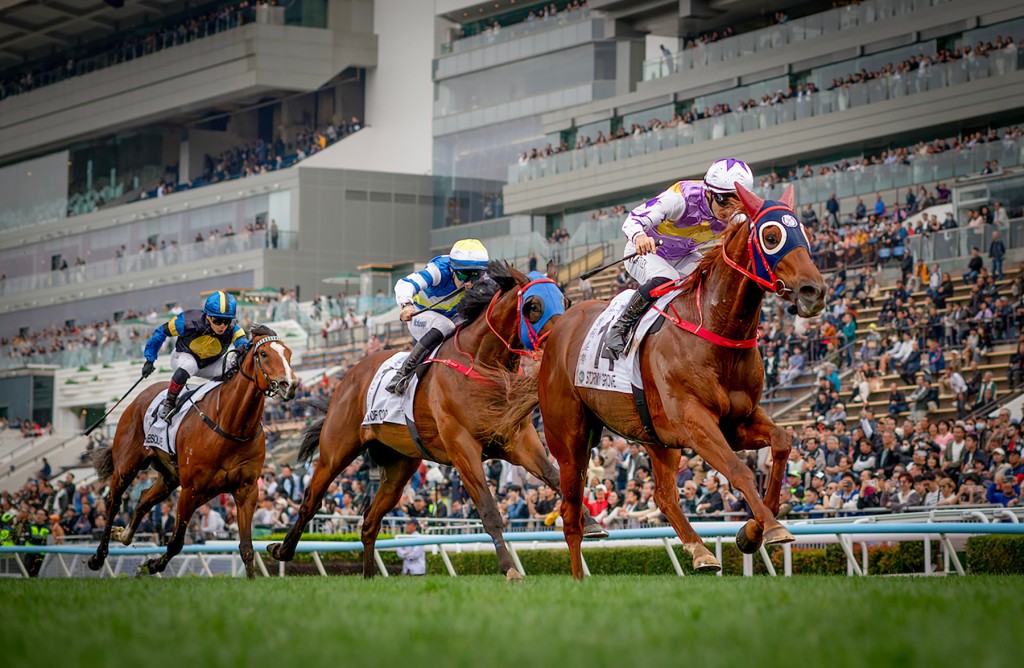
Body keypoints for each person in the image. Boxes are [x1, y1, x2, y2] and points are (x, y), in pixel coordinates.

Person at [605, 158, 754, 358]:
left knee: (713, 281)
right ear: (709, 192)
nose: (729, 211)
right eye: (723, 201)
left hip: (683, 256)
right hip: (646, 253)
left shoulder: (737, 216)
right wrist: (640, 236)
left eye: (737, 203)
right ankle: (620, 326)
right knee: (666, 278)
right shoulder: (679, 199)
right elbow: (634, 218)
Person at [387, 239, 489, 394]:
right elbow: (405, 283)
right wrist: (406, 305)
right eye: (464, 275)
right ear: (453, 269)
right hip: (421, 317)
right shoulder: (439, 271)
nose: (469, 282)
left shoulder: (483, 278)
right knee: (445, 326)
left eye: (475, 276)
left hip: (453, 318)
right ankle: (403, 373)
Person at [142, 291, 249, 420]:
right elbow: (160, 332)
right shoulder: (187, 321)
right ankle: (169, 403)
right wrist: (150, 359)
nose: (222, 326)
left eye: (226, 321)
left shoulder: (233, 329)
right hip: (183, 356)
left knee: (234, 365)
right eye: (218, 320)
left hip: (210, 364)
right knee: (189, 365)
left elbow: (243, 345)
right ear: (208, 316)